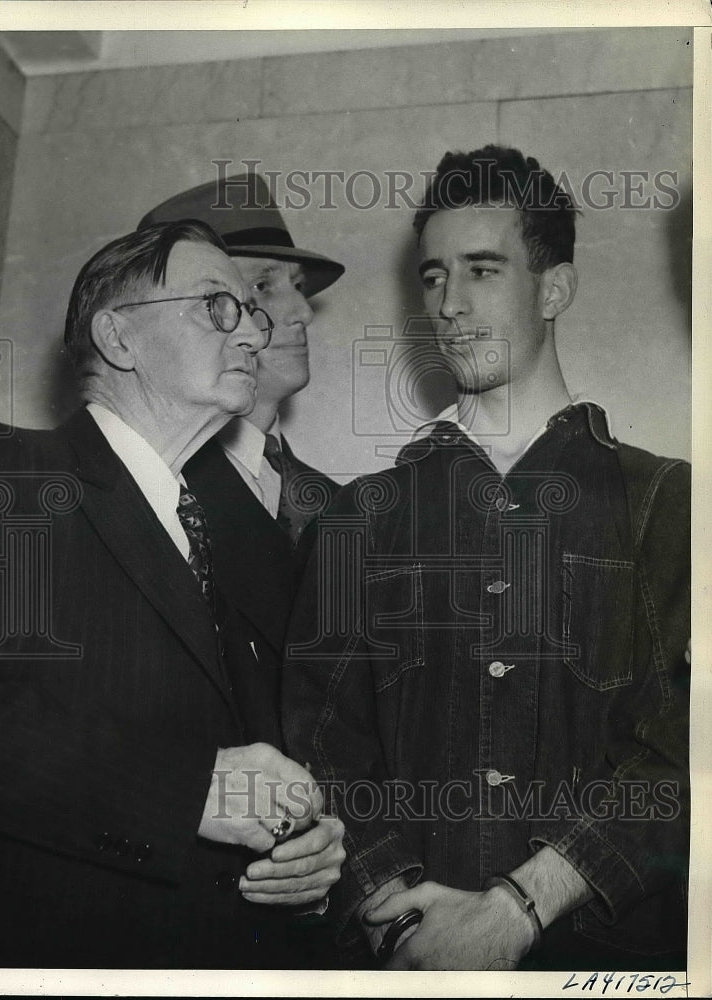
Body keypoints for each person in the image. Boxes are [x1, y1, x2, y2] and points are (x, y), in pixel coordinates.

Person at [282, 146, 690, 971]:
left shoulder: (667, 502)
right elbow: (322, 746)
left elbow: (687, 748)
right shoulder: (358, 515)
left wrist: (519, 907)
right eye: (432, 277)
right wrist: (393, 912)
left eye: (481, 270)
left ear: (553, 288)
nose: (450, 305)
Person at [0, 220, 344, 970]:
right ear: (118, 339)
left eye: (251, 312)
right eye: (215, 305)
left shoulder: (229, 533)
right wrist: (183, 793)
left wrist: (305, 847)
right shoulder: (6, 473)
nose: (252, 337)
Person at [138, 174, 344, 749]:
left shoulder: (339, 504)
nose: (303, 309)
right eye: (265, 284)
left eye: (297, 286)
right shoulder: (147, 482)